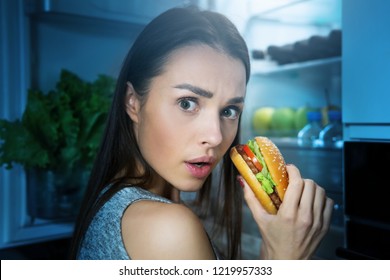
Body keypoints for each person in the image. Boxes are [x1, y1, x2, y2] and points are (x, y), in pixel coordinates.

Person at [69, 6, 333, 260]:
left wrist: (275, 247)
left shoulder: (116, 199)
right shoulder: (167, 228)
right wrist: (285, 258)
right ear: (133, 102)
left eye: (230, 110)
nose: (216, 137)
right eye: (187, 103)